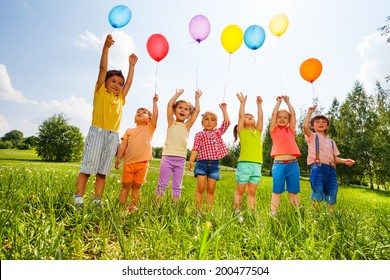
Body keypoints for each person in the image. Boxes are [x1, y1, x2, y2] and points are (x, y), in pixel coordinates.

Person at [74, 34, 138, 210]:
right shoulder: (100, 92)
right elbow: (102, 69)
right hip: (98, 133)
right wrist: (106, 48)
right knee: (87, 169)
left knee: (102, 172)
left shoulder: (120, 99)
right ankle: (78, 199)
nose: (117, 85)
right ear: (106, 82)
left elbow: (130, 82)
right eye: (114, 81)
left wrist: (131, 66)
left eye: (120, 83)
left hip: (112, 137)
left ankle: (97, 202)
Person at [155, 89, 202, 204]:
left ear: (189, 115)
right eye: (180, 107)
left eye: (186, 109)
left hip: (180, 160)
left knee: (177, 185)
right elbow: (169, 105)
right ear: (174, 111)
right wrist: (177, 94)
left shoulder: (187, 126)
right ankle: (157, 205)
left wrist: (197, 99)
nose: (182, 110)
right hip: (167, 158)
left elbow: (197, 112)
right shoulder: (171, 122)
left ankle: (175, 206)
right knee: (162, 183)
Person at [303, 106, 355, 210]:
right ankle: (316, 214)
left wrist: (345, 161)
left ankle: (329, 215)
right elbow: (304, 126)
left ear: (327, 126)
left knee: (332, 191)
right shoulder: (313, 137)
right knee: (317, 190)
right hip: (318, 167)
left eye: (323, 122)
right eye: (317, 121)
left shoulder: (331, 142)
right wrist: (309, 112)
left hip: (331, 170)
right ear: (312, 126)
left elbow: (334, 158)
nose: (321, 123)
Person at [115, 94, 159, 212]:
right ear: (134, 118)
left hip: (142, 164)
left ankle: (133, 206)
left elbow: (155, 115)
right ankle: (122, 207)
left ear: (149, 120)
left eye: (144, 112)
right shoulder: (129, 131)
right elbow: (123, 145)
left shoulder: (149, 128)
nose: (140, 113)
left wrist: (154, 102)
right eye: (138, 112)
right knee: (125, 186)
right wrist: (119, 158)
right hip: (128, 163)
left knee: (136, 186)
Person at [188, 103, 230, 213]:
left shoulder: (217, 132)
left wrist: (224, 110)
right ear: (202, 122)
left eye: (212, 120)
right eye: (206, 119)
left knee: (211, 190)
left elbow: (226, 123)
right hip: (202, 164)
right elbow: (195, 148)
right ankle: (197, 211)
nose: (209, 122)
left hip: (214, 165)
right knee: (200, 188)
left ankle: (208, 212)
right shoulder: (199, 135)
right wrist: (191, 160)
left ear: (216, 123)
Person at [269, 96, 301, 217]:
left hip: (293, 164)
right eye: (279, 117)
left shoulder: (291, 130)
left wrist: (288, 102)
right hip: (279, 165)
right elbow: (273, 114)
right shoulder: (273, 130)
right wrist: (278, 102)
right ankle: (273, 214)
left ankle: (297, 214)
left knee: (293, 191)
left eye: (285, 117)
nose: (282, 119)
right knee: (277, 191)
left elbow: (293, 113)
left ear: (289, 120)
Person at [233, 93, 263, 213]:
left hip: (257, 165)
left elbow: (260, 118)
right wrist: (242, 103)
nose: (250, 117)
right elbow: (240, 117)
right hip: (244, 164)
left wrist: (259, 105)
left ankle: (252, 213)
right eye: (247, 117)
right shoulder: (242, 132)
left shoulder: (258, 132)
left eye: (251, 116)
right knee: (240, 191)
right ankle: (236, 211)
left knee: (252, 192)